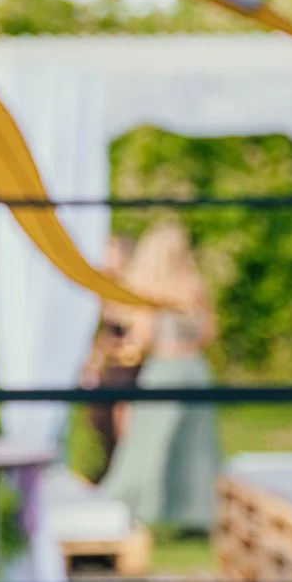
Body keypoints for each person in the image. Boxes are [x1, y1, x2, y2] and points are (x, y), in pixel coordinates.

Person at [97, 221, 219, 532]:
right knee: (196, 447)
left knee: (148, 444)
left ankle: (143, 509)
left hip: (165, 370)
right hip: (194, 370)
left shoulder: (154, 290)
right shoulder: (194, 285)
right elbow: (208, 332)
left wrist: (118, 348)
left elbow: (144, 336)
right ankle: (196, 514)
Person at [80, 234, 148, 483]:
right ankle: (108, 465)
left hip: (129, 366)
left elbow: (137, 336)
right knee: (97, 412)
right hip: (113, 366)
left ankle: (120, 471)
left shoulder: (133, 289)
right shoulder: (105, 291)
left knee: (120, 416)